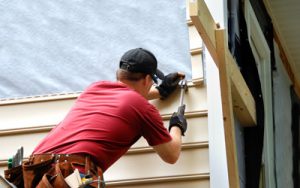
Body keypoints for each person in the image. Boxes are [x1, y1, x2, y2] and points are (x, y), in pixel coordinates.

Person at [24, 48, 187, 187]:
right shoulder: (142, 108)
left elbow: (126, 99)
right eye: (152, 82)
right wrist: (177, 125)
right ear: (146, 79)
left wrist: (161, 91)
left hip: (37, 169)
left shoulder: (95, 88)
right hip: (71, 174)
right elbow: (171, 155)